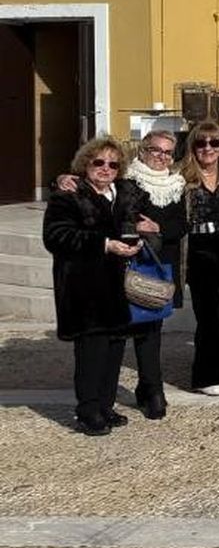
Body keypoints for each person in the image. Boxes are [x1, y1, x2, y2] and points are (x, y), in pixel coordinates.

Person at [44, 136, 161, 434]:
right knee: (91, 352)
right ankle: (87, 411)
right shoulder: (68, 195)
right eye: (99, 162)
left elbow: (148, 215)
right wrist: (104, 244)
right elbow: (56, 236)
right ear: (85, 164)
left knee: (114, 350)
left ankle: (105, 406)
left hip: (118, 286)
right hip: (84, 288)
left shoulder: (125, 193)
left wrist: (145, 230)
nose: (106, 168)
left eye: (113, 164)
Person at [122, 129, 187, 410]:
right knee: (136, 328)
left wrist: (158, 227)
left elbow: (181, 225)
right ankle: (150, 389)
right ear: (143, 151)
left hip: (162, 264)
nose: (161, 156)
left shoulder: (176, 184)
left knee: (152, 327)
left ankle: (149, 388)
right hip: (133, 260)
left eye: (167, 152)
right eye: (156, 150)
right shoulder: (128, 181)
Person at [177, 121, 219, 395]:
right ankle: (205, 377)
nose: (208, 148)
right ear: (193, 147)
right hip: (198, 250)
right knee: (209, 314)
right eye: (201, 143)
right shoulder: (181, 177)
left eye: (215, 142)